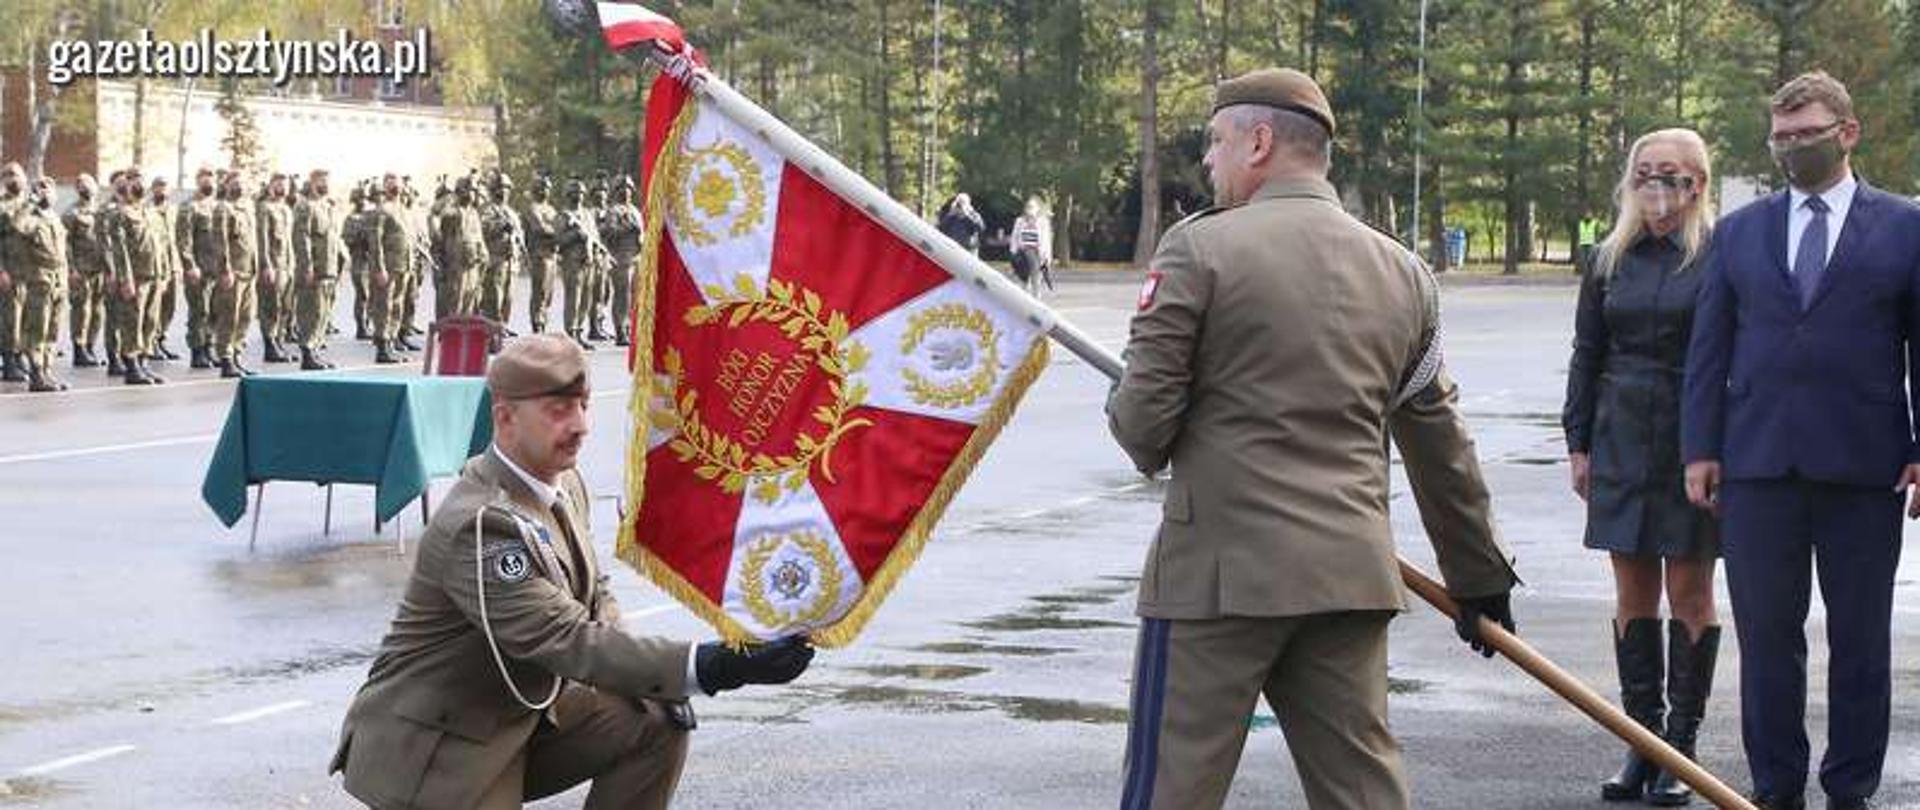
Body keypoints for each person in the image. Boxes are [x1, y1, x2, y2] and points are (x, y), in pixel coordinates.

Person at [1106, 68, 1518, 810]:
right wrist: (1477, 575)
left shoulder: (1198, 251)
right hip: (1347, 576)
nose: (1208, 162)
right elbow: (1437, 438)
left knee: (1171, 790)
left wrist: (1129, 392)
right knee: (1363, 794)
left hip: (1218, 583)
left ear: (1259, 142)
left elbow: (1143, 432)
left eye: (1215, 143)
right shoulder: (1404, 273)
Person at [330, 334, 815, 809]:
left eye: (583, 405)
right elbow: (563, 636)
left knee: (655, 716)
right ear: (505, 419)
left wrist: (657, 678)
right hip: (443, 748)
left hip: (520, 715)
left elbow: (595, 597)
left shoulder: (562, 482)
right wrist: (712, 665)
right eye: (558, 410)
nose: (580, 425)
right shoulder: (481, 525)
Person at [1684, 71, 1920, 810]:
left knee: (1859, 643)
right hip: (1757, 467)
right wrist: (1700, 448)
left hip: (1865, 466)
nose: (1791, 148)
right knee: (1768, 640)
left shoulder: (1906, 225)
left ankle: (1851, 789)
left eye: (1805, 134)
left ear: (1847, 133)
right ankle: (1776, 788)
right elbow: (1709, 350)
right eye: (1780, 137)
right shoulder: (1740, 230)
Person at [1563, 128, 1722, 806]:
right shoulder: (1607, 258)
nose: (1659, 184)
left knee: (1689, 593)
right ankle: (1642, 741)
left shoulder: (1720, 256)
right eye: (1646, 172)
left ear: (1698, 184)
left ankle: (1680, 750)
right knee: (1632, 596)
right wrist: (1578, 443)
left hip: (1693, 439)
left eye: (1674, 173)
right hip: (1621, 432)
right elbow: (1585, 353)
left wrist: (1718, 447)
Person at [103, 168, 169, 385]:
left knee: (149, 321)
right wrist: (126, 279)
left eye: (141, 181)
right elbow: (119, 250)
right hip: (136, 278)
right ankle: (131, 365)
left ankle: (143, 362)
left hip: (153, 276)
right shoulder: (120, 214)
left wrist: (164, 274)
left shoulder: (149, 212)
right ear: (126, 186)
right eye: (133, 182)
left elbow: (160, 246)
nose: (138, 185)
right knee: (133, 322)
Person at [11, 178, 69, 391]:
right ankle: (36, 374)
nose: (45, 192)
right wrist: (30, 202)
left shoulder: (54, 218)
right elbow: (17, 226)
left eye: (48, 188)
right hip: (39, 281)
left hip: (58, 281)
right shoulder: (31, 218)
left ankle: (46, 371)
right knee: (38, 328)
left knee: (53, 329)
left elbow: (62, 253)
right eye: (40, 188)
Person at [293, 168, 348, 370]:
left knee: (323, 312)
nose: (324, 184)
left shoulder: (328, 207)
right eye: (320, 181)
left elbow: (335, 239)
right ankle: (307, 353)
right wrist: (307, 266)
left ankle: (315, 349)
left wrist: (341, 263)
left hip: (329, 269)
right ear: (312, 182)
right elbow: (301, 239)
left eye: (327, 180)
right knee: (311, 312)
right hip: (314, 269)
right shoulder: (305, 207)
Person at [209, 172, 260, 378]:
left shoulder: (247, 208)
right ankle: (226, 359)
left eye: (242, 182)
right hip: (234, 272)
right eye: (234, 182)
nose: (239, 186)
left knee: (245, 317)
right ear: (226, 185)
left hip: (249, 271)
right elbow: (220, 242)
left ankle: (236, 354)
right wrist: (224, 270)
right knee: (228, 317)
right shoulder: (223, 209)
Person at [368, 174, 414, 365]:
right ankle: (382, 346)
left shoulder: (403, 210)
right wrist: (379, 268)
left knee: (397, 305)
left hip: (403, 265)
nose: (395, 188)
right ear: (385, 188)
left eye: (398, 184)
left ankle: (392, 342)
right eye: (391, 185)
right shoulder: (382, 211)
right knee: (383, 306)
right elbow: (375, 242)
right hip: (388, 266)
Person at [556, 179, 606, 351]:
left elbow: (595, 237)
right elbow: (559, 241)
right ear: (568, 195)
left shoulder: (587, 215)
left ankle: (579, 332)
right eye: (575, 193)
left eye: (581, 193)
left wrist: (597, 252)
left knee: (586, 299)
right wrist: (575, 235)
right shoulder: (564, 216)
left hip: (589, 262)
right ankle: (570, 333)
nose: (578, 196)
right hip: (573, 262)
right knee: (573, 299)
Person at [179, 168, 221, 370]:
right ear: (197, 181)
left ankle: (209, 347)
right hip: (199, 270)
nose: (209, 182)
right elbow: (184, 240)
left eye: (211, 179)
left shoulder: (216, 206)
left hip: (216, 269)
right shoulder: (190, 207)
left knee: (214, 311)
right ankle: (197, 351)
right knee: (199, 312)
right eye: (204, 179)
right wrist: (189, 266)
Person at [66, 174, 106, 370]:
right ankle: (79, 349)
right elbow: (65, 244)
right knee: (81, 310)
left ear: (96, 186)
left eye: (88, 183)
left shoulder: (102, 211)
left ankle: (90, 346)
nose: (85, 187)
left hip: (100, 269)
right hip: (81, 270)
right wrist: (71, 269)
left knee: (98, 311)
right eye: (80, 184)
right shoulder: (71, 213)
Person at [255, 173, 296, 363]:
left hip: (287, 265)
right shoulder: (265, 208)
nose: (282, 188)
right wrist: (265, 265)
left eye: (285, 184)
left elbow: (289, 240)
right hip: (273, 265)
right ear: (271, 186)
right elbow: (262, 240)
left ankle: (279, 342)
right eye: (278, 184)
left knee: (286, 308)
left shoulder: (287, 209)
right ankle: (270, 344)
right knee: (271, 307)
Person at [599, 177, 642, 347]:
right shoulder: (613, 211)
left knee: (634, 296)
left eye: (629, 188)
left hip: (636, 257)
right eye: (622, 189)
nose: (626, 191)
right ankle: (620, 330)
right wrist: (627, 228)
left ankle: (631, 328)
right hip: (621, 258)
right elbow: (609, 232)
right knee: (622, 296)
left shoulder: (635, 211)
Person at [522, 175, 561, 335]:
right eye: (541, 188)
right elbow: (539, 228)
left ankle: (543, 321)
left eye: (547, 188)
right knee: (540, 291)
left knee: (549, 293)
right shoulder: (533, 208)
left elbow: (557, 225)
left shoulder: (551, 209)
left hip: (552, 254)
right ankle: (537, 323)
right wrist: (558, 232)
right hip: (539, 254)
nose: (544, 191)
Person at [0, 163, 28, 382]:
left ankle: (20, 359)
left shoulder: (32, 205)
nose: (12, 179)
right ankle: (9, 362)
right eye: (7, 175)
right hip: (10, 271)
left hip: (31, 273)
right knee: (10, 319)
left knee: (27, 318)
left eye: (16, 174)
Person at [1008, 198, 1051, 294]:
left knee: (1036, 281)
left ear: (1037, 208)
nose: (1029, 209)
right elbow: (1014, 237)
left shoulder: (1043, 222)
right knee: (1023, 281)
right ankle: (1023, 305)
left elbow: (1046, 241)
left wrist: (1047, 258)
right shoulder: (1020, 221)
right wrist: (1013, 254)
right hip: (1023, 254)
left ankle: (1035, 303)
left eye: (1032, 206)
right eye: (1028, 206)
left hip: (1036, 254)